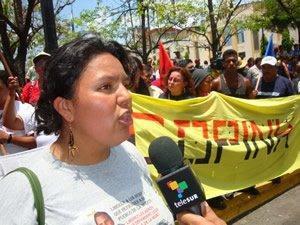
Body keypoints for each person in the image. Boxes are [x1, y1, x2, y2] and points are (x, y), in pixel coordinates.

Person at [0, 36, 226, 225]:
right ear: (66, 107)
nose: (127, 96)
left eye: (125, 85)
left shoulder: (131, 154)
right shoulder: (24, 189)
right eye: (106, 87)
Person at [0, 70, 36, 155]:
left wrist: (9, 138)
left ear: (9, 88)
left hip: (22, 165)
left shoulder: (25, 109)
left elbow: (36, 141)